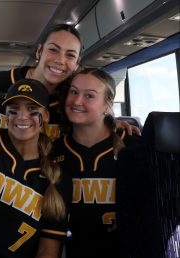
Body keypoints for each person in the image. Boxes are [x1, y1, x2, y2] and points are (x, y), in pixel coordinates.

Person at [0, 78, 73, 258]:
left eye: (33, 110)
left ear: (46, 116)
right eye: (14, 110)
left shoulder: (57, 175)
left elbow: (48, 248)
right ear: (6, 115)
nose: (22, 117)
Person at [0, 23, 139, 141]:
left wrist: (107, 123)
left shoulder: (72, 97)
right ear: (39, 51)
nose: (60, 60)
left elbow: (89, 115)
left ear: (77, 63)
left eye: (70, 55)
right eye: (53, 50)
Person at [52, 68, 142, 258]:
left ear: (107, 104)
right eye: (74, 92)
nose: (77, 101)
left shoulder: (134, 148)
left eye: (90, 96)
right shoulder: (54, 151)